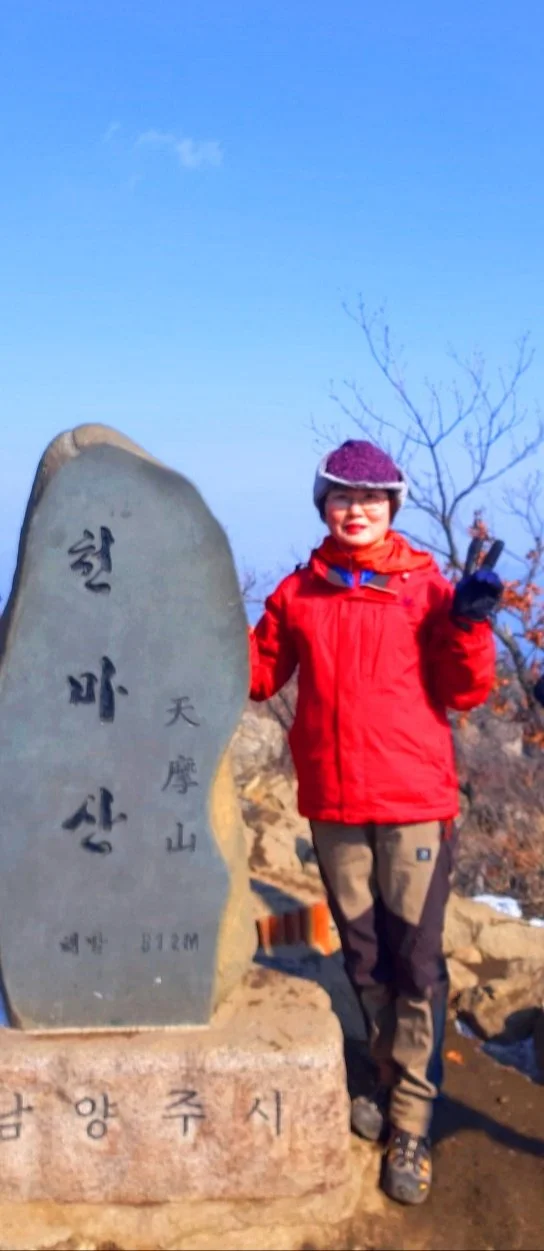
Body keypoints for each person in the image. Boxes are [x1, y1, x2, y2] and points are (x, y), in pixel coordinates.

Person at [249, 439, 502, 1206]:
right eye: (341, 496)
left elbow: (465, 690)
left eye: (370, 498)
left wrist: (468, 625)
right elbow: (256, 673)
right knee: (363, 957)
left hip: (413, 802)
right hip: (334, 804)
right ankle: (385, 1071)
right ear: (323, 505)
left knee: (415, 961)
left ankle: (413, 1120)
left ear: (392, 507)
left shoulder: (426, 586)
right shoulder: (298, 592)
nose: (355, 509)